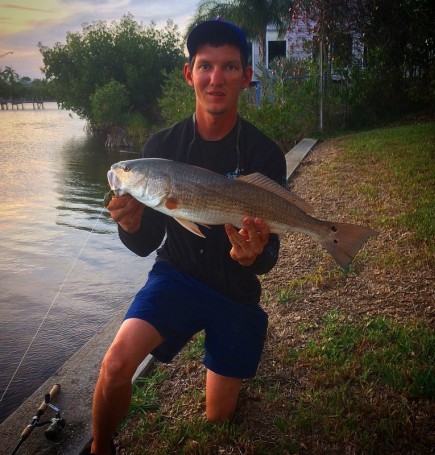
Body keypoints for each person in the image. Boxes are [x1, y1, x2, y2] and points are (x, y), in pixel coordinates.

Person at [86, 19, 286, 455]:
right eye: (206, 66)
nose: (217, 78)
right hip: (176, 277)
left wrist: (252, 257)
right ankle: (101, 447)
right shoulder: (162, 148)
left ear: (246, 77)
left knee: (218, 416)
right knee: (116, 363)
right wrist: (131, 224)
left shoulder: (264, 153)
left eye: (230, 67)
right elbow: (145, 244)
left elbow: (269, 252)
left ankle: (228, 375)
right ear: (189, 73)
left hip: (235, 291)